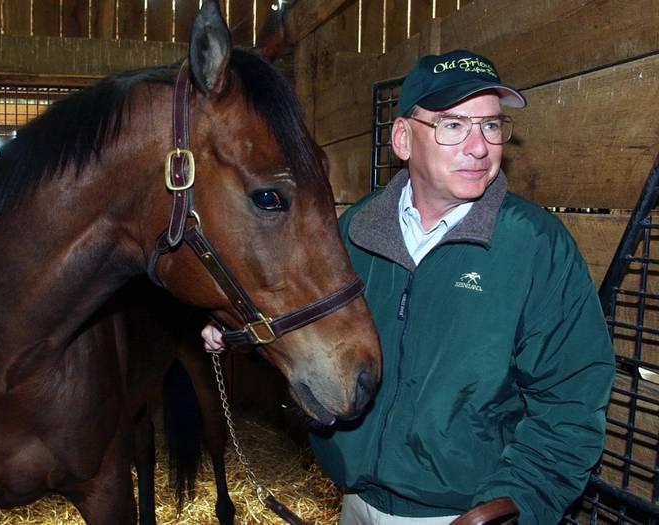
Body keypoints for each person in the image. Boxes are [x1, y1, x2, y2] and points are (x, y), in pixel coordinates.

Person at [202, 49, 615, 524]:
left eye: (492, 126)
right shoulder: (355, 231)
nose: (480, 146)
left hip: (462, 514)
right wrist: (240, 333)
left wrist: (511, 506)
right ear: (403, 138)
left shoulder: (535, 247)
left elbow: (571, 400)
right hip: (355, 502)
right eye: (453, 125)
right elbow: (311, 328)